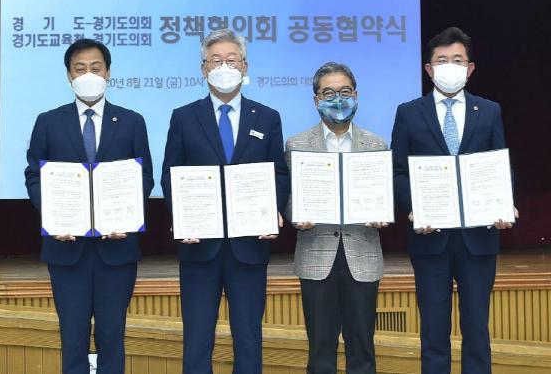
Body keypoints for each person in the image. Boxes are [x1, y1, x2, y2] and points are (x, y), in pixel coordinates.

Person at [161, 28, 290, 374]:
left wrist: (273, 211)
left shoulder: (267, 117)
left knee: (248, 337)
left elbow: (278, 173)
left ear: (244, 66)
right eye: (215, 60)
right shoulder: (184, 117)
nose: (224, 67)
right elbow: (171, 174)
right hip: (199, 246)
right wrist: (181, 217)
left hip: (249, 245)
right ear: (203, 69)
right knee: (197, 337)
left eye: (231, 60)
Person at [391, 27, 517, 374]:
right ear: (429, 69)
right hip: (430, 238)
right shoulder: (409, 112)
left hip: (479, 237)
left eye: (457, 60)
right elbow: (397, 171)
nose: (450, 66)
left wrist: (504, 203)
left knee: (477, 330)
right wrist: (414, 208)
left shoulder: (488, 110)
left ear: (470, 68)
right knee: (433, 332)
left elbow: (499, 164)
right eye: (442, 60)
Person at [25, 38, 154, 374]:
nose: (88, 75)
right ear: (69, 75)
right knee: (73, 336)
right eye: (79, 69)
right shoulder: (48, 122)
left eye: (95, 68)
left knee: (112, 334)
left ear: (108, 72)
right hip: (66, 250)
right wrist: (53, 217)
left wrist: (127, 216)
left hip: (117, 249)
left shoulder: (132, 121)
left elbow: (144, 177)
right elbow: (34, 176)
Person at [285, 62, 388, 374]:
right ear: (316, 99)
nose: (338, 99)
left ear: (356, 95)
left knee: (362, 351)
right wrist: (295, 215)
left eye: (345, 92)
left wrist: (381, 212)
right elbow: (288, 199)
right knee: (320, 352)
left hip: (362, 254)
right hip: (316, 255)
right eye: (328, 93)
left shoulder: (376, 144)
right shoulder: (297, 144)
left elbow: (383, 194)